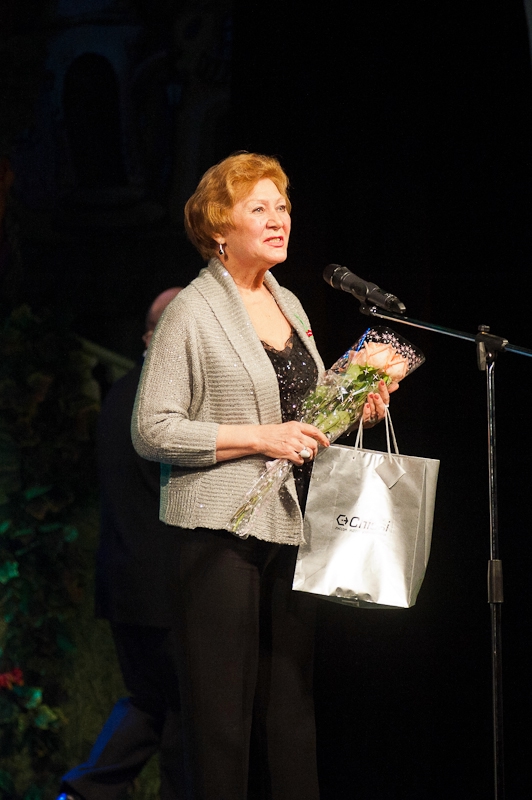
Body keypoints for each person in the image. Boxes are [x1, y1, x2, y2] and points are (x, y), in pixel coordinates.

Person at [131, 152, 394, 800]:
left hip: (290, 526)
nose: (279, 220)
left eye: (283, 207)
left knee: (291, 715)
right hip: (217, 536)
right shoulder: (192, 311)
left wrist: (355, 404)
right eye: (260, 208)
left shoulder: (290, 302)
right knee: (222, 722)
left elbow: (303, 423)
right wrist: (258, 436)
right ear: (220, 225)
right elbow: (152, 430)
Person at [58, 288, 185, 800]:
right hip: (162, 586)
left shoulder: (123, 390)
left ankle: (84, 791)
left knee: (157, 703)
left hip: (127, 582)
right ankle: (86, 789)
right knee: (177, 706)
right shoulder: (162, 404)